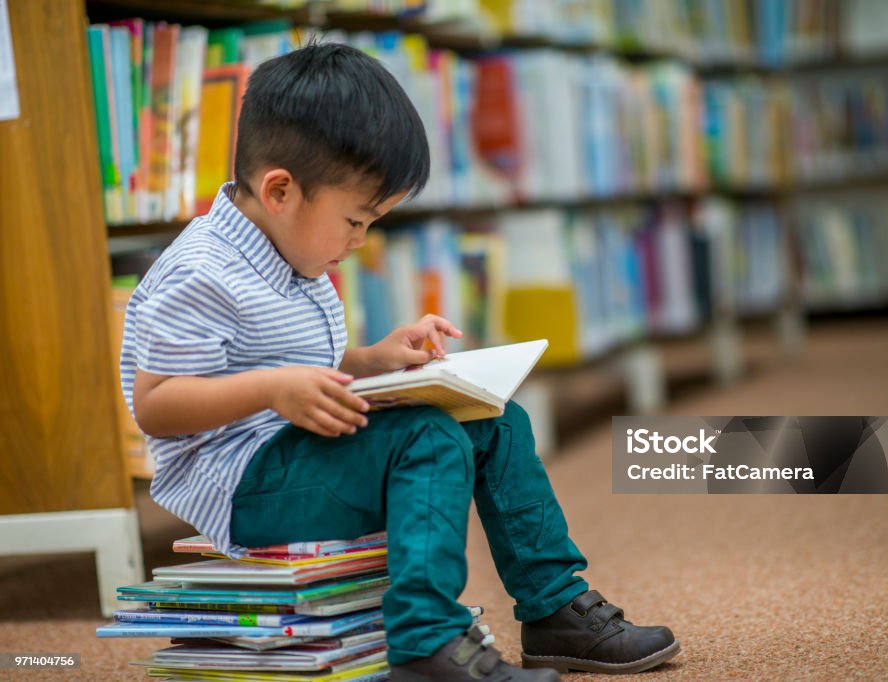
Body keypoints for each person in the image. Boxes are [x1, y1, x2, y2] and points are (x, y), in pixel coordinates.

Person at [120, 43, 679, 681]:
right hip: (244, 484)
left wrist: (369, 359)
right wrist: (274, 389)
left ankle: (554, 610)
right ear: (280, 190)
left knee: (495, 419)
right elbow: (157, 404)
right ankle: (427, 645)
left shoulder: (289, 250)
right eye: (356, 221)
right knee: (428, 438)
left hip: (299, 446)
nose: (360, 242)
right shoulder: (201, 274)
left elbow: (301, 365)